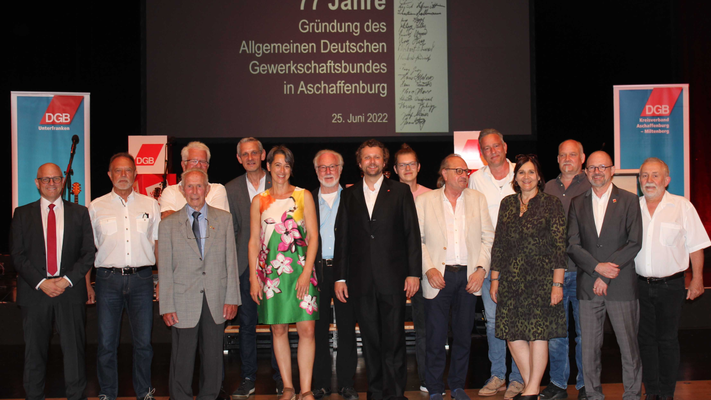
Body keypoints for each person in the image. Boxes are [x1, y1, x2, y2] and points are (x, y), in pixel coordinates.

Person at [334, 139, 422, 400]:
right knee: (371, 341)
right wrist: (340, 277)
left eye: (376, 157)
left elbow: (411, 235)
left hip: (393, 280)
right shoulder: (348, 194)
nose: (372, 162)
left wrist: (413, 272)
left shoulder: (400, 192)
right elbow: (343, 239)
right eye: (366, 158)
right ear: (360, 163)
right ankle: (374, 393)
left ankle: (395, 394)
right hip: (360, 281)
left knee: (394, 341)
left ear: (384, 162)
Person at [10, 163, 95, 400]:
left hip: (70, 291)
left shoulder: (80, 213)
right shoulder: (22, 213)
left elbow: (88, 252)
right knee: (34, 355)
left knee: (75, 354)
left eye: (56, 178)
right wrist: (42, 282)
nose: (51, 183)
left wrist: (66, 280)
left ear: (63, 182)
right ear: (37, 183)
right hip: (35, 292)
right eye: (45, 179)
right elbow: (17, 254)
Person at [488, 154, 567, 400]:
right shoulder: (507, 204)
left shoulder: (551, 203)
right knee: (512, 335)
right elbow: (499, 243)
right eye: (521, 172)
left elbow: (559, 246)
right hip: (511, 280)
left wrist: (557, 283)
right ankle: (531, 384)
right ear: (516, 178)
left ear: (539, 177)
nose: (526, 177)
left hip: (541, 280)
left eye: (531, 172)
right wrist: (495, 279)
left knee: (537, 334)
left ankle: (531, 389)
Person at [417, 155, 494, 400]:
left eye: (466, 171)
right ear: (445, 173)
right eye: (459, 170)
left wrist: (481, 269)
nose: (464, 175)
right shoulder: (425, 201)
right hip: (437, 277)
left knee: (463, 336)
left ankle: (458, 386)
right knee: (436, 337)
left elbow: (488, 238)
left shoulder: (477, 200)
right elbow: (416, 241)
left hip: (469, 277)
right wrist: (428, 269)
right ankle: (435, 388)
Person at [158, 168, 240, 400]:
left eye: (199, 186)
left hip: (217, 299)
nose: (195, 191)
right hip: (182, 301)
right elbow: (164, 269)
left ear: (208, 189)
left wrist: (232, 298)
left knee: (213, 358)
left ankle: (209, 396)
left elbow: (231, 262)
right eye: (190, 186)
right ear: (183, 190)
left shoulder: (224, 220)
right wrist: (167, 305)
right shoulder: (168, 225)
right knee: (182, 359)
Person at [567, 151, 643, 400]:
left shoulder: (630, 200)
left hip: (621, 286)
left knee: (628, 347)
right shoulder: (577, 203)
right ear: (585, 172)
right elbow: (572, 245)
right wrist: (597, 268)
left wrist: (607, 273)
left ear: (612, 170)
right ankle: (593, 394)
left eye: (602, 167)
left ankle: (632, 394)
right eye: (591, 168)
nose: (596, 171)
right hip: (588, 285)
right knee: (588, 349)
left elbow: (634, 243)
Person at [635, 158, 710, 400]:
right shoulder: (631, 208)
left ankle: (666, 393)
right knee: (645, 341)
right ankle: (652, 391)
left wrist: (697, 279)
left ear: (666, 180)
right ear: (639, 181)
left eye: (655, 175)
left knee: (667, 340)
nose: (649, 180)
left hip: (671, 286)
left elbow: (696, 246)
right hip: (638, 286)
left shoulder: (682, 206)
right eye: (644, 175)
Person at [249, 146, 319, 400]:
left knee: (307, 330)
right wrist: (254, 279)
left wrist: (306, 271)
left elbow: (313, 236)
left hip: (301, 271)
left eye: (287, 166)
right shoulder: (259, 200)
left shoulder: (303, 196)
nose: (282, 170)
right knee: (278, 329)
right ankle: (288, 387)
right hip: (272, 274)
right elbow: (254, 242)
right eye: (277, 165)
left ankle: (306, 389)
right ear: (268, 166)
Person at [89, 153, 160, 400]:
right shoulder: (96, 206)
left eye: (127, 170)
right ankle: (107, 392)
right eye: (117, 171)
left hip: (142, 280)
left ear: (135, 174)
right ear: (109, 174)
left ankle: (144, 391)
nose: (122, 175)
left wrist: (160, 279)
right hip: (108, 280)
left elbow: (157, 244)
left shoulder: (150, 205)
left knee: (144, 344)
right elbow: (90, 247)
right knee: (107, 344)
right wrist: (88, 283)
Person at [467, 129, 523, 399]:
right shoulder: (476, 179)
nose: (492, 151)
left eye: (496, 146)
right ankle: (498, 374)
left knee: (519, 321)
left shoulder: (522, 172)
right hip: (491, 261)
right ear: (481, 152)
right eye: (486, 148)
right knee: (493, 322)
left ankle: (519, 378)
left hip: (523, 262)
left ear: (505, 146)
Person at [225, 137, 283, 398]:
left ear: (262, 156)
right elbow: (233, 230)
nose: (249, 157)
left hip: (277, 263)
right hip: (246, 266)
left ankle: (282, 376)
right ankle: (248, 378)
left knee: (277, 323)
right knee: (247, 323)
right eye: (244, 154)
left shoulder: (279, 180)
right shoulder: (230, 188)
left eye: (254, 153)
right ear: (239, 159)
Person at [541, 140, 591, 400]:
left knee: (585, 334)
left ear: (582, 158)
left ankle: (585, 385)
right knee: (556, 333)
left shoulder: (593, 184)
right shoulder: (547, 187)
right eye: (562, 155)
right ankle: (558, 384)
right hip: (554, 275)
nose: (567, 158)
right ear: (557, 159)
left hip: (584, 272)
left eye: (572, 154)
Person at [311, 150, 359, 400]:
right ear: (316, 171)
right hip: (315, 272)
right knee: (316, 330)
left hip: (346, 272)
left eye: (332, 167)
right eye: (322, 168)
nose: (328, 172)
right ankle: (319, 383)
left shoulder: (353, 197)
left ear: (341, 169)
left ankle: (347, 384)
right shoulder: (305, 199)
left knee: (347, 328)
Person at [392, 143, 431, 393]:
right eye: (402, 165)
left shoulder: (432, 195)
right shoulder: (387, 194)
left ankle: (427, 378)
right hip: (393, 271)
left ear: (418, 167)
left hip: (425, 271)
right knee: (392, 327)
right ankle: (394, 383)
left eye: (411, 164)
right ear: (395, 169)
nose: (407, 168)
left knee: (424, 327)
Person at [160, 141, 229, 218]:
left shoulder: (216, 190)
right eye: (194, 161)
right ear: (183, 165)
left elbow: (218, 219)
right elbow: (167, 219)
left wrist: (178, 216)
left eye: (203, 161)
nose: (199, 165)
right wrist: (201, 216)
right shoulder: (170, 191)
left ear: (208, 166)